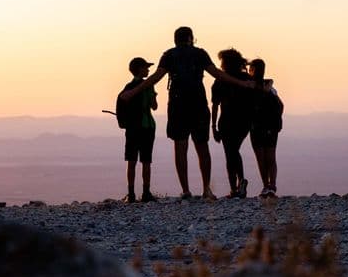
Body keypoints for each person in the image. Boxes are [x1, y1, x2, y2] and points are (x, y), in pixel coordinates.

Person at [121, 27, 252, 200]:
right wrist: (242, 84)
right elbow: (217, 74)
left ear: (175, 40)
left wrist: (133, 92)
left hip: (177, 105)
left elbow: (155, 78)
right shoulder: (200, 54)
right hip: (198, 103)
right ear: (190, 38)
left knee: (180, 147)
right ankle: (206, 189)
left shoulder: (168, 55)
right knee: (202, 146)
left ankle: (186, 190)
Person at [211, 48, 252, 198]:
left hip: (227, 121)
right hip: (244, 122)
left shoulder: (220, 80)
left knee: (230, 152)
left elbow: (215, 105)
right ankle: (238, 185)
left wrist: (213, 127)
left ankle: (237, 185)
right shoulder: (246, 78)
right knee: (233, 151)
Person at [119, 57, 158, 203]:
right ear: (140, 69)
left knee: (131, 160)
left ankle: (131, 194)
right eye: (146, 67)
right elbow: (154, 106)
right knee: (146, 160)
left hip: (132, 128)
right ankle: (146, 193)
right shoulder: (148, 86)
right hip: (147, 126)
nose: (148, 69)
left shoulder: (128, 87)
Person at [248, 58, 283, 197]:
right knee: (271, 157)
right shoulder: (270, 88)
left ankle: (266, 185)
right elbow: (281, 105)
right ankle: (272, 185)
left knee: (261, 158)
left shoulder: (250, 88)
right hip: (271, 127)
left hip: (257, 127)